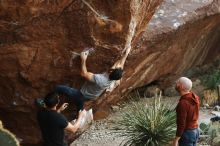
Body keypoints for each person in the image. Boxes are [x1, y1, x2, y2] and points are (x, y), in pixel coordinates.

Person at [54, 50, 124, 112]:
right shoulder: (113, 78)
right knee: (79, 108)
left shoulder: (100, 79)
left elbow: (83, 74)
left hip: (81, 95)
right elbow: (120, 65)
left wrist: (83, 59)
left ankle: (52, 100)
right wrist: (126, 53)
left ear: (111, 72)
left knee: (58, 88)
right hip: (92, 96)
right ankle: (79, 114)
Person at [172, 77, 200, 146]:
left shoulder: (183, 103)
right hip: (196, 130)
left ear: (181, 86)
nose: (176, 83)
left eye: (177, 82)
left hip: (187, 134)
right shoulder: (195, 97)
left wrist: (176, 140)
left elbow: (181, 123)